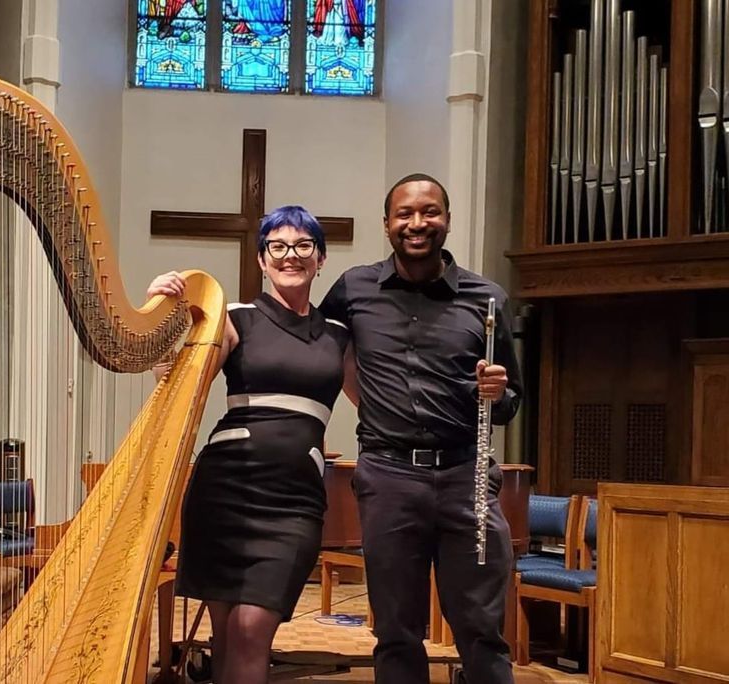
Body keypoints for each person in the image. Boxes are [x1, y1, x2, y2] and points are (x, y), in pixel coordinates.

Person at [318, 173, 523, 684]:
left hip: (465, 477)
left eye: (429, 212)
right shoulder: (353, 288)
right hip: (388, 477)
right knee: (395, 631)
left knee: (480, 630)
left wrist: (498, 394)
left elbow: (510, 402)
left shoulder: (487, 297)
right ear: (387, 224)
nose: (417, 223)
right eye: (405, 214)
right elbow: (311, 346)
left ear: (447, 220)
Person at [147, 205, 350, 684]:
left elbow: (379, 403)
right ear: (262, 260)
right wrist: (160, 308)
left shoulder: (340, 335)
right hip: (226, 489)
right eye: (277, 246)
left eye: (303, 245)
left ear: (320, 258)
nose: (290, 255)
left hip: (295, 498)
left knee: (254, 626)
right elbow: (174, 386)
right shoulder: (235, 318)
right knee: (227, 634)